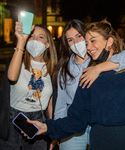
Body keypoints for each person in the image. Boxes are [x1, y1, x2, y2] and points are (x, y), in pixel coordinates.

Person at [24, 19, 125, 150]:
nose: (88, 47)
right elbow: (76, 120)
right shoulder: (88, 76)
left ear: (109, 41)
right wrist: (47, 127)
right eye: (86, 43)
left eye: (93, 41)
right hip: (100, 142)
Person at [51, 19, 125, 150]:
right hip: (74, 123)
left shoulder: (99, 59)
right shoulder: (64, 69)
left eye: (79, 36)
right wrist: (56, 132)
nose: (76, 43)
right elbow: (60, 106)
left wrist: (98, 69)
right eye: (70, 40)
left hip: (99, 123)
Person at [0, 16, 57, 150]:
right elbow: (12, 77)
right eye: (31, 36)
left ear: (48, 44)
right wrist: (21, 40)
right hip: (12, 121)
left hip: (38, 123)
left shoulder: (53, 69)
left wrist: (53, 129)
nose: (35, 40)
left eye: (41, 37)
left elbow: (51, 103)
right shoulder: (17, 60)